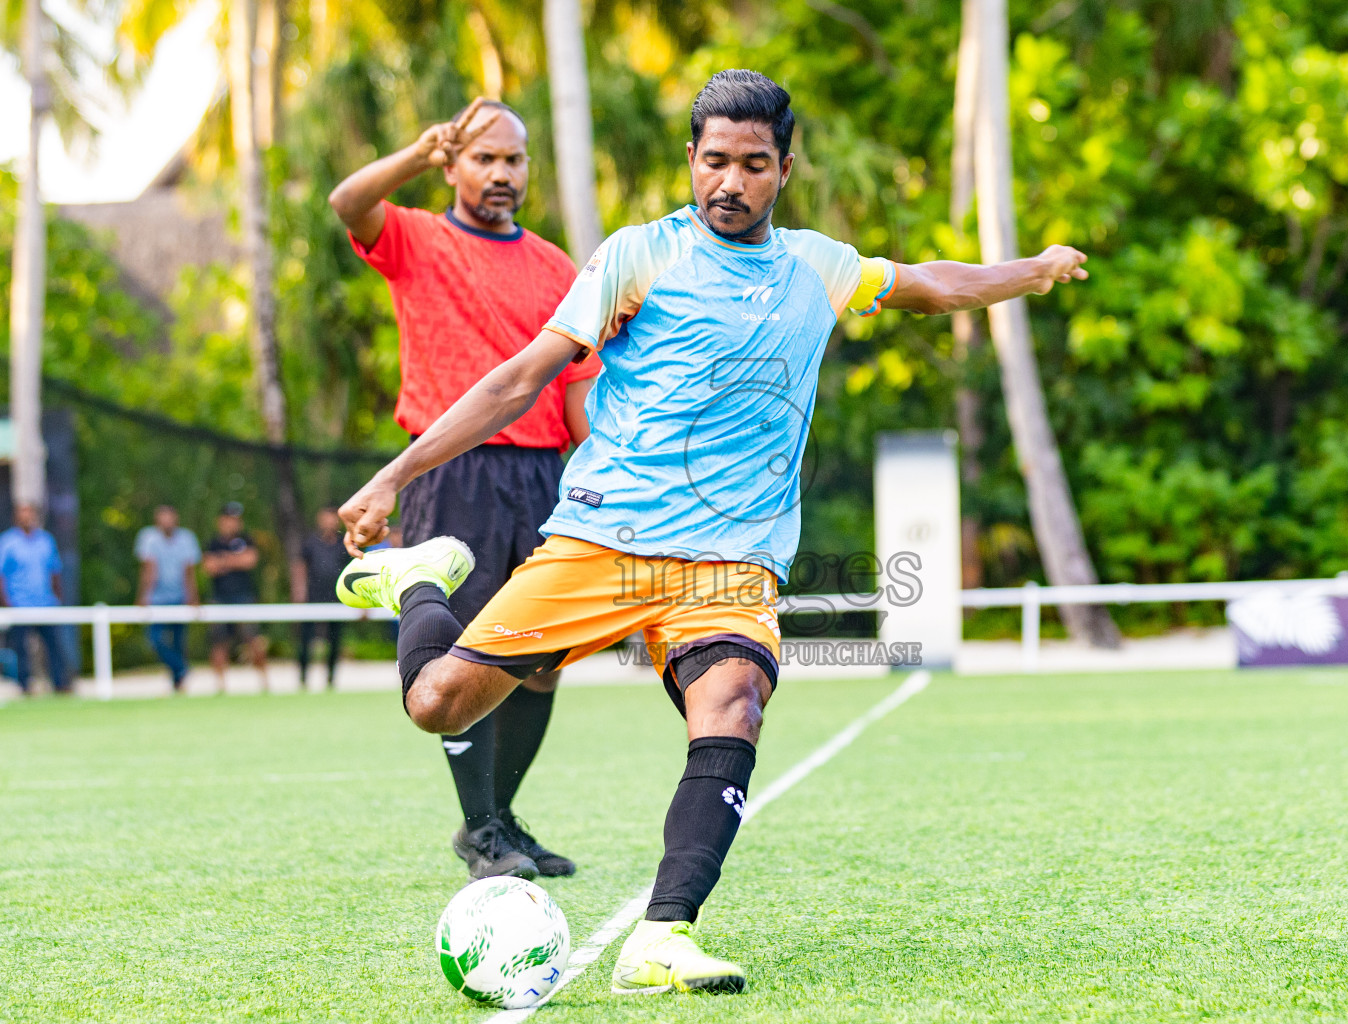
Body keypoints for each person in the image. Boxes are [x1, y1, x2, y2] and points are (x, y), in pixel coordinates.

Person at [335, 69, 1090, 994]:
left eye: (754, 165)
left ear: (785, 169)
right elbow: (518, 379)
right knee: (437, 705)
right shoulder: (635, 256)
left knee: (732, 707)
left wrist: (1035, 270)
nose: (730, 183)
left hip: (732, 561)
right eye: (715, 162)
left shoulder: (820, 266)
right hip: (604, 540)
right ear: (691, 160)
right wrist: (395, 474)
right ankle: (419, 579)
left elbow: (932, 282)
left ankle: (661, 937)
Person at [328, 97, 597, 880]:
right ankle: (480, 832)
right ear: (453, 167)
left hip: (544, 476)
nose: (503, 173)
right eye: (485, 157)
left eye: (514, 159)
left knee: (541, 656)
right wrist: (417, 150)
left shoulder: (554, 265)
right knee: (471, 647)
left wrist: (606, 475)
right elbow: (348, 202)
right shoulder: (416, 236)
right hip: (456, 474)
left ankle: (502, 817)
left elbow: (579, 390)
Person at [0, 502, 71, 694]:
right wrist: (6, 603)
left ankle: (60, 683)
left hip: (45, 603)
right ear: (16, 517)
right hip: (19, 604)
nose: (27, 517)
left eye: (30, 513)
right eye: (23, 514)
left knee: (54, 646)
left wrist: (57, 599)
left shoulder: (46, 540)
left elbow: (54, 571)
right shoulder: (7, 542)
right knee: (20, 648)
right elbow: (2, 575)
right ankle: (24, 685)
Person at [203, 502, 269, 693]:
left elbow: (250, 561)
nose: (233, 523)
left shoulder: (247, 540)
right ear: (220, 521)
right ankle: (220, 686)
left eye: (236, 520)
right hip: (219, 598)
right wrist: (234, 560)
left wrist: (222, 561)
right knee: (219, 642)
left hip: (244, 596)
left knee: (254, 639)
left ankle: (264, 683)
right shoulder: (213, 543)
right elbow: (209, 567)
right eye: (229, 519)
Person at [134, 504, 201, 692]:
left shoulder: (186, 538)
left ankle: (178, 683)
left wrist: (193, 598)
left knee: (179, 641)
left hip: (179, 597)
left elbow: (189, 572)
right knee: (154, 640)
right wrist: (143, 597)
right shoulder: (148, 538)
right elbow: (148, 570)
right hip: (157, 599)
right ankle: (182, 668)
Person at [291, 507, 350, 689]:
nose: (329, 521)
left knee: (334, 641)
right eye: (326, 517)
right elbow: (300, 566)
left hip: (337, 599)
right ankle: (303, 679)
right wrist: (299, 592)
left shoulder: (344, 543)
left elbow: (353, 569)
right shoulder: (310, 542)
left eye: (332, 518)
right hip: (312, 599)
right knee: (305, 641)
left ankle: (331, 680)